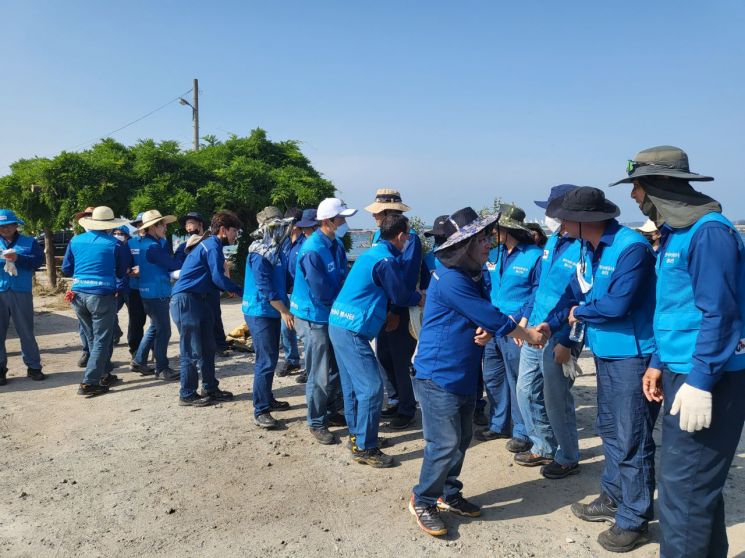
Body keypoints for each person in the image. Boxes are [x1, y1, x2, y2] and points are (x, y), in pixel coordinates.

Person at [613, 146, 745, 558]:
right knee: (692, 487)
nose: (634, 197)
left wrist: (702, 380)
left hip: (710, 377)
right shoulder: (676, 233)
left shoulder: (709, 233)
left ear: (658, 186)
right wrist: (657, 363)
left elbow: (721, 312)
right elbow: (675, 307)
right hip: (680, 369)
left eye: (637, 187)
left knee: (682, 494)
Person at [409, 207, 546, 537]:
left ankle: (448, 492)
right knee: (443, 444)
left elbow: (483, 316)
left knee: (461, 440)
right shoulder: (452, 278)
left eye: (488, 236)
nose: (489, 243)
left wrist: (483, 329)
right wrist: (528, 335)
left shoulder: (471, 274)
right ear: (463, 245)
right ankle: (423, 499)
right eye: (482, 238)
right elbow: (493, 316)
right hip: (438, 375)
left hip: (462, 372)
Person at [541, 187, 659, 553]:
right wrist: (550, 324)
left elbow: (618, 304)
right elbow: (572, 294)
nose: (560, 223)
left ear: (584, 221)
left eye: (564, 218)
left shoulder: (630, 248)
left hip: (634, 356)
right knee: (610, 429)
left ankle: (634, 519)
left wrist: (578, 314)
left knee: (632, 437)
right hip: (607, 353)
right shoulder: (586, 250)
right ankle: (612, 496)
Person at [329, 213, 422, 467]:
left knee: (352, 387)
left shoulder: (371, 254)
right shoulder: (385, 261)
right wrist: (420, 298)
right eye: (407, 237)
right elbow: (401, 296)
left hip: (338, 322)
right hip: (351, 330)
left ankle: (358, 436)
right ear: (401, 236)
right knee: (370, 388)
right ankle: (365, 447)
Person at [515, 184, 582, 478]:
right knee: (526, 389)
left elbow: (582, 302)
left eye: (550, 209)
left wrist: (567, 341)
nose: (546, 215)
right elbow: (538, 289)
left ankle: (567, 455)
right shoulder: (553, 242)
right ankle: (543, 445)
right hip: (536, 330)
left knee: (557, 398)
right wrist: (524, 319)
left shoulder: (584, 247)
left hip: (559, 334)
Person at [476, 204, 542, 457]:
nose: (493, 233)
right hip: (492, 326)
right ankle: (498, 423)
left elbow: (536, 293)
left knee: (518, 380)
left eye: (496, 228)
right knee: (493, 377)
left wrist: (519, 320)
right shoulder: (495, 254)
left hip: (516, 328)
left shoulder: (534, 256)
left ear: (507, 228)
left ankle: (522, 432)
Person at [291, 198, 354, 444]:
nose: (345, 223)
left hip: (329, 314)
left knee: (335, 367)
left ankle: (331, 410)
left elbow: (342, 277)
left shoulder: (335, 244)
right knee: (318, 372)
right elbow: (322, 293)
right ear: (328, 222)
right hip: (313, 317)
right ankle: (316, 421)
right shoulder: (312, 250)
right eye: (342, 219)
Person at [171, 210, 243, 406]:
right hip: (186, 301)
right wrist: (239, 290)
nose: (235, 236)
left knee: (208, 347)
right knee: (191, 351)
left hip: (199, 300)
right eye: (234, 231)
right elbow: (218, 278)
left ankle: (210, 387)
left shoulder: (211, 245)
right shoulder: (212, 246)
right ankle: (187, 394)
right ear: (223, 229)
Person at [366, 188, 423, 429]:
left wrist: (395, 311)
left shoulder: (410, 238)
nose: (374, 218)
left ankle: (407, 408)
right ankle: (397, 400)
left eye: (378, 214)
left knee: (400, 358)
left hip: (400, 308)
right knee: (385, 357)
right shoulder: (377, 237)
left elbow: (406, 278)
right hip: (384, 307)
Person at [61, 206, 129, 396]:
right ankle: (89, 382)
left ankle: (103, 373)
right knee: (101, 340)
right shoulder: (116, 245)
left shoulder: (75, 240)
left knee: (91, 337)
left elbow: (66, 268)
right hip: (101, 295)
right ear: (110, 225)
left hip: (78, 294)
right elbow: (120, 272)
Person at [243, 207, 294, 429]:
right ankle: (260, 409)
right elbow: (265, 287)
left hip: (270, 310)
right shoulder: (259, 251)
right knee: (265, 360)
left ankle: (267, 398)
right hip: (260, 311)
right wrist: (284, 310)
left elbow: (284, 280)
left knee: (271, 357)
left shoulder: (276, 249)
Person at [131, 210, 180, 380]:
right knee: (163, 331)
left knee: (154, 327)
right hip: (157, 293)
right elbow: (172, 264)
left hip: (148, 292)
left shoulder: (144, 244)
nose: (166, 228)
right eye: (163, 225)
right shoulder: (153, 247)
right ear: (153, 227)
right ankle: (162, 368)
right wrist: (187, 252)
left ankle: (139, 359)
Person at [0, 209, 45, 386]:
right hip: (1, 291)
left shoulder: (29, 242)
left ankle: (34, 367)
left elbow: (37, 261)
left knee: (26, 332)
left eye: (8, 225)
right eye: (1, 226)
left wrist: (18, 258)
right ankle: (1, 370)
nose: (5, 229)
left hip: (21, 291)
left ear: (15, 225)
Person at [176, 211, 230, 357]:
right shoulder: (182, 247)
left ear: (200, 224)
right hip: (194, 287)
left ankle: (220, 345)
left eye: (191, 223)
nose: (188, 227)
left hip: (210, 285)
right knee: (197, 320)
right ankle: (201, 349)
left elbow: (220, 263)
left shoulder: (209, 242)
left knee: (214, 315)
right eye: (187, 224)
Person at [293, 208, 320, 384]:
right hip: (308, 308)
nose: (306, 231)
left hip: (303, 306)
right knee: (313, 352)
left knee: (311, 349)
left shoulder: (302, 245)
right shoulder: (310, 249)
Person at [278, 208, 304, 377]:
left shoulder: (304, 243)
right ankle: (292, 360)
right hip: (285, 291)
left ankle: (309, 366)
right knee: (285, 329)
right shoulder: (285, 242)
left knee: (303, 331)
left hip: (299, 292)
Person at [126, 212, 149, 363]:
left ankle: (156, 352)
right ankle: (135, 351)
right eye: (139, 224)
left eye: (145, 224)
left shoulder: (160, 242)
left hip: (153, 288)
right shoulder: (130, 243)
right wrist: (131, 271)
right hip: (134, 288)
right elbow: (124, 265)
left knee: (157, 323)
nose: (142, 227)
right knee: (136, 321)